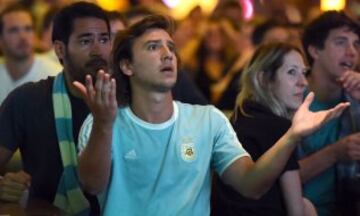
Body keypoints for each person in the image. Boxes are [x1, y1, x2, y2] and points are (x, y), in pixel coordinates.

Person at [75, 15, 348, 215]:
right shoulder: (104, 121)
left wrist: (292, 136)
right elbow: (92, 184)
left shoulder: (208, 120)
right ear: (127, 65)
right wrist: (103, 124)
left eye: (170, 46)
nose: (167, 54)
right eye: (153, 47)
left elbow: (250, 184)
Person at [0, 2, 111, 215]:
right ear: (60, 49)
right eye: (86, 41)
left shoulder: (129, 100)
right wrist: (5, 185)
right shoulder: (28, 100)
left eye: (104, 39)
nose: (98, 50)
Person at [212, 42, 316, 216]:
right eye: (292, 72)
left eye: (304, 73)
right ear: (264, 79)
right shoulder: (279, 128)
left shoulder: (240, 116)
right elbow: (296, 210)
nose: (303, 82)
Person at [299, 11, 360, 216]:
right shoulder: (289, 99)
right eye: (341, 42)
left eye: (356, 44)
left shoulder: (355, 99)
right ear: (315, 51)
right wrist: (335, 152)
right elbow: (272, 179)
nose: (352, 52)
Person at [0, 3, 61, 104]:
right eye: (13, 30)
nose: (23, 36)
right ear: (1, 39)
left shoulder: (55, 76)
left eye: (28, 29)